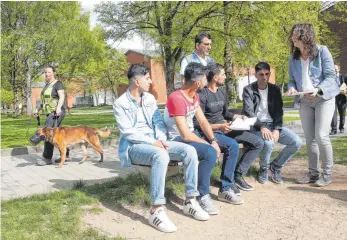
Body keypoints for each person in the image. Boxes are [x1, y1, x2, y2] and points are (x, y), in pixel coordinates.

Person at [113, 64, 209, 233]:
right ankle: (156, 210)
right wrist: (153, 143)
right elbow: (128, 133)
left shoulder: (149, 99)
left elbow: (158, 122)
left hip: (157, 142)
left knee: (189, 151)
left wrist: (162, 140)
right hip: (135, 147)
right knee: (161, 156)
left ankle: (190, 200)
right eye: (147, 78)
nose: (150, 82)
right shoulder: (120, 103)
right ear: (137, 81)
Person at [165, 62, 243, 216]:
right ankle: (202, 195)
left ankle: (226, 188)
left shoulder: (193, 96)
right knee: (209, 153)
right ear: (197, 82)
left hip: (192, 135)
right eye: (204, 79)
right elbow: (185, 135)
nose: (207, 81)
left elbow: (202, 121)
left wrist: (213, 140)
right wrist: (209, 145)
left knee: (232, 146)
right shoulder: (176, 98)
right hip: (177, 139)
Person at [286, 23, 340, 187]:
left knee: (322, 136)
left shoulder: (322, 51)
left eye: (295, 34)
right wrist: (291, 88)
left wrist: (318, 89)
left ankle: (327, 173)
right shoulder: (293, 58)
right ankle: (313, 173)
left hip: (323, 98)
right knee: (310, 139)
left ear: (304, 35)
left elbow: (331, 77)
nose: (292, 37)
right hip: (304, 100)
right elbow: (291, 80)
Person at [197, 62, 264, 192]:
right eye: (223, 74)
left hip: (226, 128)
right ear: (215, 78)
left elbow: (225, 113)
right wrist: (219, 126)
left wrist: (238, 117)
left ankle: (238, 175)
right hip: (211, 132)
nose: (225, 77)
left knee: (258, 142)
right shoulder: (202, 95)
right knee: (232, 145)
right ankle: (226, 182)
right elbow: (198, 123)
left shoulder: (222, 92)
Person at [243, 62, 302, 184]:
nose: (264, 77)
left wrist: (277, 129)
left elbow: (279, 112)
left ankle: (275, 167)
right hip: (256, 126)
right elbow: (249, 112)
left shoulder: (275, 89)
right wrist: (262, 127)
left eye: (267, 74)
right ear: (256, 75)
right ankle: (263, 168)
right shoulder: (248, 90)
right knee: (268, 143)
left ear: (269, 74)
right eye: (261, 74)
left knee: (296, 142)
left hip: (272, 125)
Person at [36, 66, 70, 166]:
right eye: (45, 72)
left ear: (54, 73)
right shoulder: (46, 85)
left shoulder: (57, 83)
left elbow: (62, 96)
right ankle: (66, 155)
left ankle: (47, 158)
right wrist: (38, 109)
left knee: (47, 132)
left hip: (56, 112)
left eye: (49, 72)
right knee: (58, 134)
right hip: (50, 112)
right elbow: (46, 101)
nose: (47, 74)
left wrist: (59, 107)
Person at [330, 65, 347, 134]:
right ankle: (333, 129)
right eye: (333, 69)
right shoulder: (330, 77)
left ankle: (341, 128)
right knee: (333, 115)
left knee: (342, 114)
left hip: (342, 98)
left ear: (339, 69)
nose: (334, 70)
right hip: (333, 98)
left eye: (336, 69)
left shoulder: (344, 76)